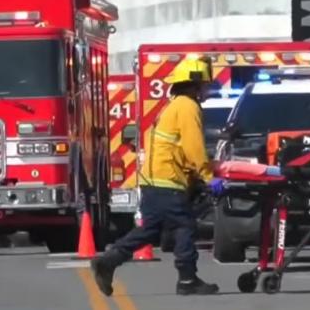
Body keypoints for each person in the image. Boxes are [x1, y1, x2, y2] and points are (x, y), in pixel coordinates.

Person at [90, 57, 225, 297]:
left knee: (150, 230)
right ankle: (187, 279)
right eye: (205, 84)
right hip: (168, 181)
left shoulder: (173, 105)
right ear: (194, 84)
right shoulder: (187, 106)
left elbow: (178, 148)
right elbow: (193, 147)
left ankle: (109, 261)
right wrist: (207, 176)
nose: (206, 89)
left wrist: (196, 176)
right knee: (185, 226)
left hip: (154, 180)